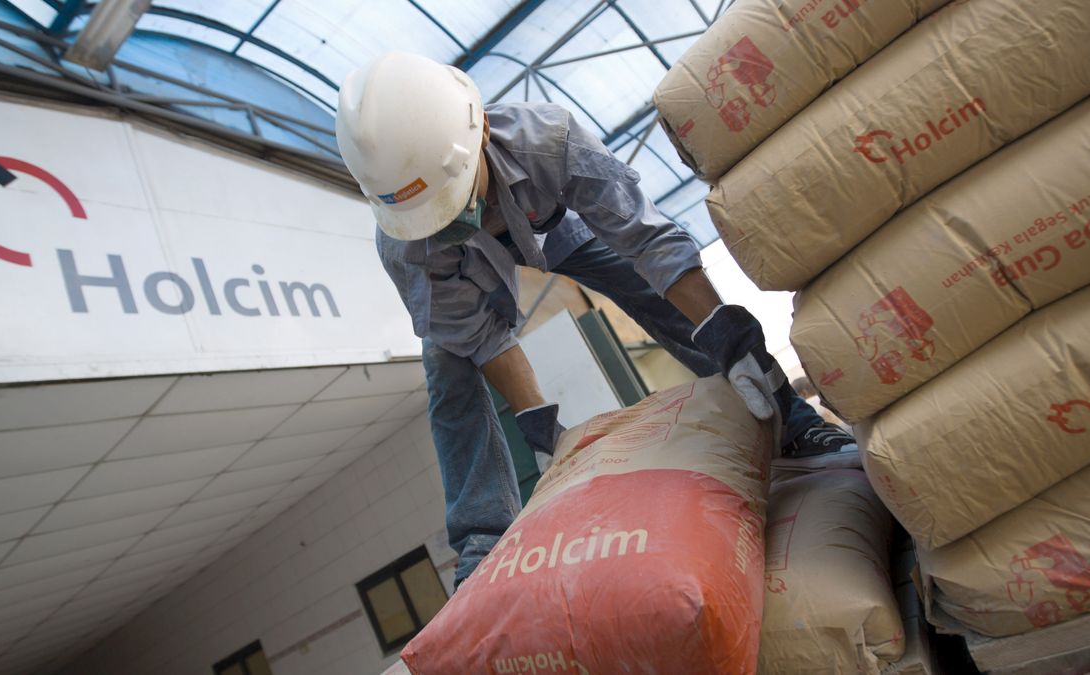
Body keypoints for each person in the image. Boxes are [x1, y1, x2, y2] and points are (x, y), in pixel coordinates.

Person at [335, 52, 856, 587]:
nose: (454, 217)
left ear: (482, 128)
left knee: (640, 278)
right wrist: (544, 433)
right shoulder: (407, 244)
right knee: (446, 366)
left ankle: (793, 422)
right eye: (435, 214)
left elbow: (648, 241)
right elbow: (481, 338)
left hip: (551, 226)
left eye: (456, 195)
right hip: (466, 271)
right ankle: (482, 545)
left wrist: (732, 340)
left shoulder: (548, 140)